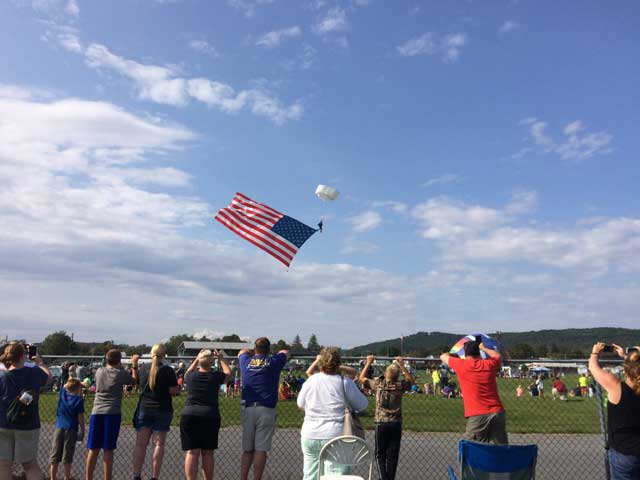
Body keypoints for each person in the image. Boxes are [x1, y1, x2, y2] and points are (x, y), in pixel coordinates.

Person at [297, 347, 368, 480]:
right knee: (336, 475)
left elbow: (300, 404)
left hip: (310, 433)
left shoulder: (311, 381)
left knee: (310, 474)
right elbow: (363, 405)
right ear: (338, 363)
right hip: (336, 435)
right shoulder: (344, 382)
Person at [238, 338, 290, 480]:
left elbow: (241, 352)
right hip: (266, 408)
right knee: (261, 449)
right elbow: (285, 352)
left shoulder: (245, 361)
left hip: (248, 408)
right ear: (268, 350)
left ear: (255, 348)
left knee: (247, 450)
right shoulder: (273, 362)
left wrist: (249, 352)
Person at [0, 342, 51, 480]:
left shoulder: (2, 376)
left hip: (3, 423)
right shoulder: (33, 372)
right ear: (23, 356)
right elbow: (48, 378)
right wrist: (39, 362)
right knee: (29, 465)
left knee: (3, 464)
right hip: (28, 424)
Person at [86, 349, 139, 480]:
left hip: (96, 411)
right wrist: (134, 364)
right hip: (112, 413)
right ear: (119, 360)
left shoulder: (99, 371)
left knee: (93, 449)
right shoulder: (120, 373)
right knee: (108, 449)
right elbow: (134, 381)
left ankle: (88, 477)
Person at [440, 341, 507, 444]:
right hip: (497, 412)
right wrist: (484, 348)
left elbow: (443, 356)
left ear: (466, 353)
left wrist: (456, 355)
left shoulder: (461, 364)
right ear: (479, 353)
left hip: (477, 413)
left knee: (471, 447)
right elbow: (497, 355)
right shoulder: (489, 364)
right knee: (500, 448)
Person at [589, 343, 640, 479]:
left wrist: (595, 353)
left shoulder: (617, 387)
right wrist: (625, 356)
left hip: (624, 453)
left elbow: (593, 368)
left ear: (627, 368)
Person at [359, 355, 414, 480]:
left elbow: (362, 378)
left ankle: (383, 477)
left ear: (386, 373)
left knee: (380, 454)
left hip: (381, 422)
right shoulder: (400, 385)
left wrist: (368, 363)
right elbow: (411, 382)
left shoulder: (378, 383)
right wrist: (402, 365)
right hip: (396, 422)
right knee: (393, 454)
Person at [180, 349, 231, 480]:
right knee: (208, 453)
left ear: (199, 363)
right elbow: (228, 373)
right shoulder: (215, 377)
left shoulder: (191, 376)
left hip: (190, 414)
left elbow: (186, 373)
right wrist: (221, 358)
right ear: (211, 363)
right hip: (210, 415)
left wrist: (197, 359)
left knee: (192, 452)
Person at [132, 344, 178, 480]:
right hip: (162, 409)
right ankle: (154, 476)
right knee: (158, 445)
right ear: (164, 355)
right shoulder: (167, 370)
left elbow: (137, 383)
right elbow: (174, 390)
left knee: (140, 444)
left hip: (145, 408)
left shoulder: (143, 368)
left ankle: (136, 475)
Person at [49, 378, 85, 480]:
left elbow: (65, 386)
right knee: (67, 457)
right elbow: (80, 417)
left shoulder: (62, 395)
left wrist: (72, 382)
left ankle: (53, 477)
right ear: (78, 388)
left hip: (59, 428)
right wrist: (82, 430)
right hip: (71, 429)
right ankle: (66, 477)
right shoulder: (78, 400)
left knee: (55, 455)